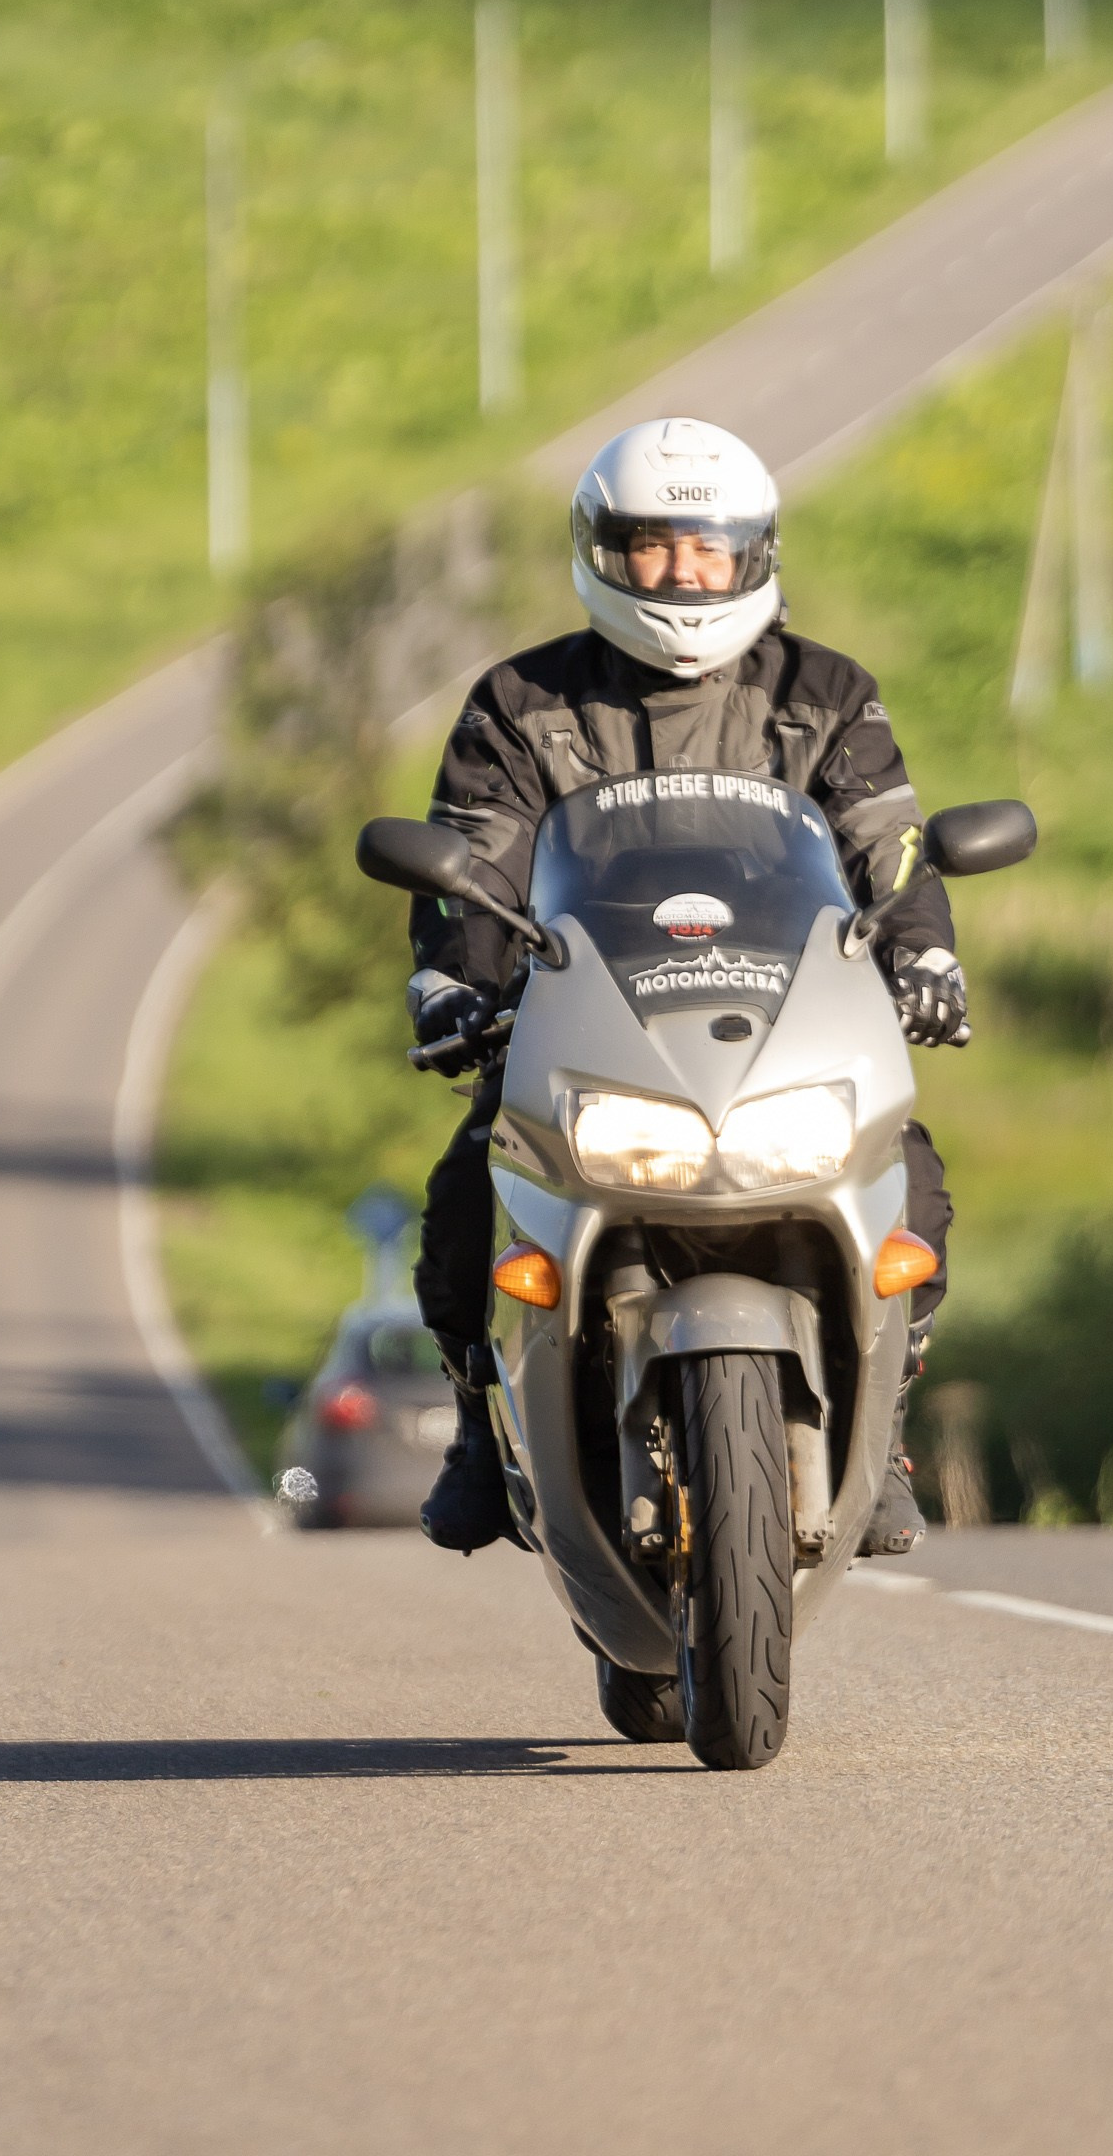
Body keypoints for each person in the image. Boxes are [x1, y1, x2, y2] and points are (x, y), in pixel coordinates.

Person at [403, 415, 970, 1558]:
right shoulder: (519, 703)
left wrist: (924, 962)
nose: (681, 574)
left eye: (706, 548)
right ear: (602, 552)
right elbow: (469, 864)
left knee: (909, 1182)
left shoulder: (828, 693)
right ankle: (479, 1424)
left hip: (779, 1033)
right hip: (591, 1027)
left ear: (752, 554)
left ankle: (884, 1427)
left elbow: (887, 852)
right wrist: (453, 989)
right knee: (473, 1191)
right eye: (653, 546)